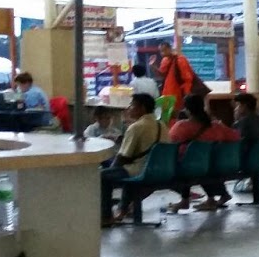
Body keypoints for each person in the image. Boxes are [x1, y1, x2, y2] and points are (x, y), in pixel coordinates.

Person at [165, 93, 240, 211]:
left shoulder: (181, 126)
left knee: (183, 166)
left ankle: (185, 200)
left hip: (188, 167)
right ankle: (211, 199)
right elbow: (236, 137)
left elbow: (168, 142)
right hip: (211, 165)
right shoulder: (216, 126)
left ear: (187, 110)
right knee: (201, 166)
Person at [101, 93, 166, 225]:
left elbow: (123, 156)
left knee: (103, 175)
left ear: (142, 108)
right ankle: (123, 209)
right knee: (126, 169)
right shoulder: (162, 126)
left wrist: (111, 168)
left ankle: (106, 217)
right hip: (161, 170)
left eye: (132, 105)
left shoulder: (136, 127)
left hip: (142, 171)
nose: (129, 108)